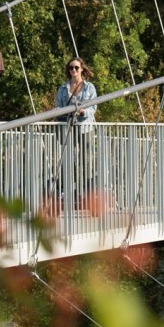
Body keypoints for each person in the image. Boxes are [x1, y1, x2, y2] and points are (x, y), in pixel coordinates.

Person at [53, 57, 98, 214]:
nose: (73, 70)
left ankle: (86, 191)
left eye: (76, 68)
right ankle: (67, 189)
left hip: (84, 127)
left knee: (86, 160)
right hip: (67, 127)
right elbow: (57, 106)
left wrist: (83, 111)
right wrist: (62, 112)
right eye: (71, 68)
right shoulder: (63, 87)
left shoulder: (89, 87)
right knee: (68, 158)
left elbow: (93, 106)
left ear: (82, 69)